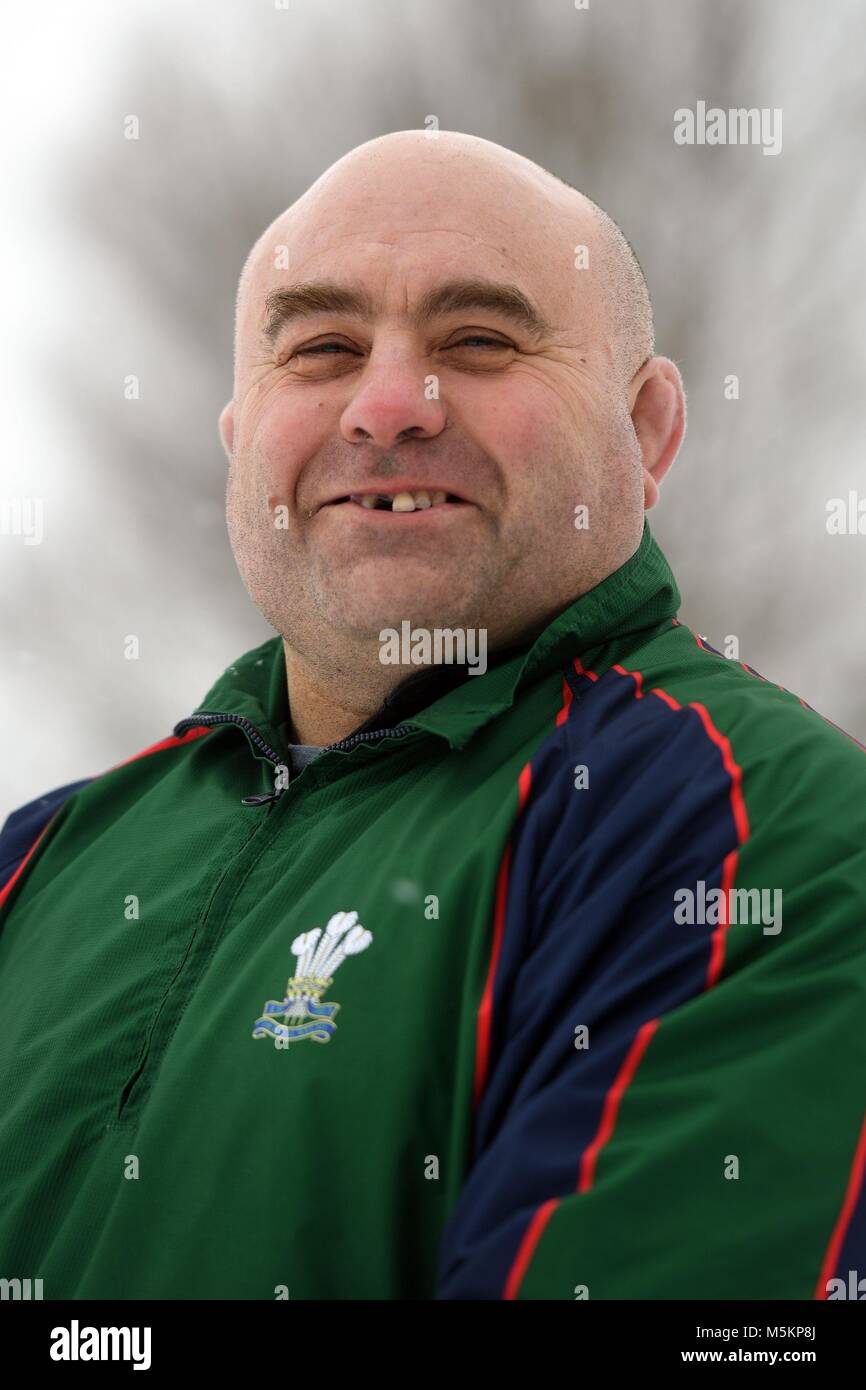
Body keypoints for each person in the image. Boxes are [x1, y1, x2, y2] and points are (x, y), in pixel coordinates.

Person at [1, 131, 864, 1301]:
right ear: (238, 439)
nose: (389, 405)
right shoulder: (40, 861)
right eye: (320, 349)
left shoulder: (751, 822)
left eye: (478, 340)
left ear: (649, 430)